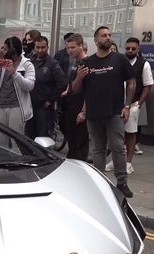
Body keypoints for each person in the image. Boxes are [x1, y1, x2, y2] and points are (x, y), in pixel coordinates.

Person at [72, 26, 136, 198]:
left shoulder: (119, 59)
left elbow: (131, 83)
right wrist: (79, 77)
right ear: (95, 40)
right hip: (94, 114)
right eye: (103, 35)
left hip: (114, 111)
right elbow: (76, 90)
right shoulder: (87, 62)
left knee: (117, 148)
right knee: (98, 149)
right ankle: (100, 182)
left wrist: (127, 106)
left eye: (109, 35)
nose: (107, 38)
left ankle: (122, 183)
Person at [0, 36, 35, 146]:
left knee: (17, 141)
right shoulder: (1, 64)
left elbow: (30, 86)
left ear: (12, 50)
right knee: (0, 140)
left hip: (17, 107)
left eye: (5, 49)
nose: (2, 51)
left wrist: (15, 73)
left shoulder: (27, 64)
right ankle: (1, 162)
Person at [116, 37, 153, 174]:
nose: (130, 51)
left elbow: (148, 86)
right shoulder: (119, 61)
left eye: (133, 48)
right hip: (117, 104)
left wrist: (139, 104)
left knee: (131, 133)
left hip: (133, 104)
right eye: (128, 48)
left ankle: (128, 163)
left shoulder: (144, 64)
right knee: (117, 134)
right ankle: (116, 161)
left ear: (138, 50)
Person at [27, 36, 66, 139]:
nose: (40, 50)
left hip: (44, 107)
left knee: (42, 138)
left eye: (43, 47)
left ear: (47, 47)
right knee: (28, 136)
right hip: (29, 105)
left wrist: (50, 101)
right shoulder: (30, 61)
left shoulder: (52, 63)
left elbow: (62, 83)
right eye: (37, 47)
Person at [61, 33, 89, 161]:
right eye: (68, 48)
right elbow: (71, 82)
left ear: (81, 46)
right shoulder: (74, 62)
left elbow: (88, 90)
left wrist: (83, 111)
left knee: (80, 142)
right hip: (71, 104)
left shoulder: (86, 63)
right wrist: (68, 90)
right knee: (71, 137)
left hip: (80, 105)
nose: (70, 50)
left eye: (73, 47)